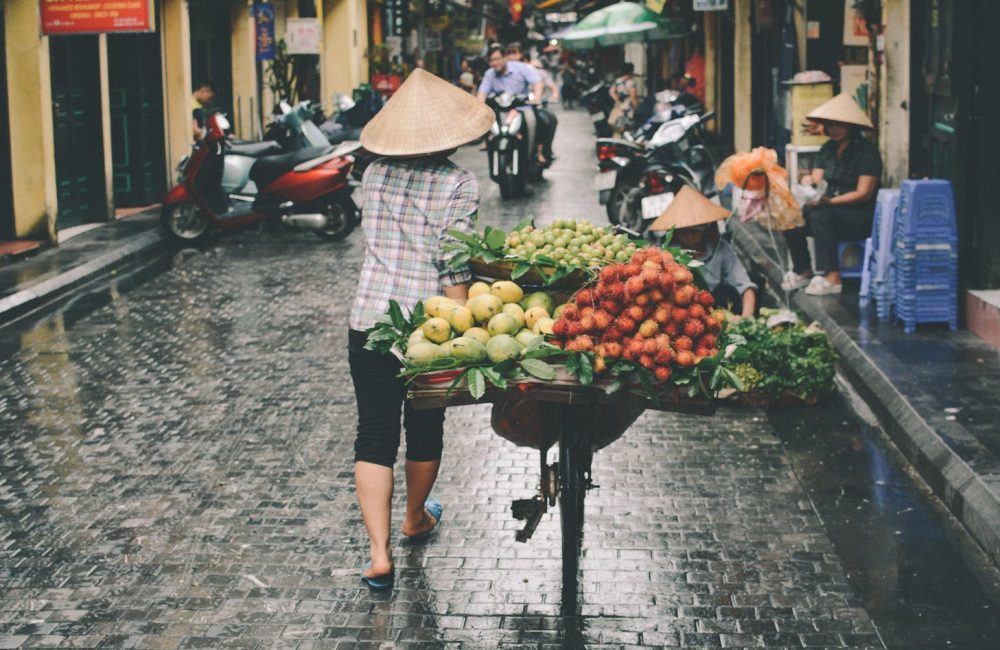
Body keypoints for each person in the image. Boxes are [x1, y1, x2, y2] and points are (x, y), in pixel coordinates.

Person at [350, 69, 494, 590]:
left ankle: (378, 555)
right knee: (425, 426)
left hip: (369, 319)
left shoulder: (372, 174)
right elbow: (452, 263)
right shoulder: (457, 183)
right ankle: (414, 518)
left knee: (374, 433)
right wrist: (465, 330)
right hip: (426, 327)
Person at [781, 93, 882, 295]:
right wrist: (808, 184)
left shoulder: (866, 152)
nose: (834, 129)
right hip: (828, 209)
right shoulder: (828, 148)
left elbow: (863, 193)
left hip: (860, 215)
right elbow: (817, 179)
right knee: (790, 216)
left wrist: (831, 201)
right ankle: (803, 269)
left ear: (851, 126)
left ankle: (833, 276)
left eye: (839, 125)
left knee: (821, 215)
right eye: (830, 125)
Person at [650, 186, 758, 318]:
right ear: (676, 232)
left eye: (695, 231)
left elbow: (745, 286)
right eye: (684, 232)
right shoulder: (667, 254)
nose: (690, 237)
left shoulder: (720, 248)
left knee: (726, 293)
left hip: (715, 306)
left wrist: (746, 318)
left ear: (706, 230)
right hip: (680, 312)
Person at [477, 44, 553, 166]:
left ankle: (531, 152)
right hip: (499, 111)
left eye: (497, 59)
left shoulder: (521, 68)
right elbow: (482, 93)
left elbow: (537, 83)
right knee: (485, 121)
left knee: (532, 121)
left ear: (505, 57)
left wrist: (536, 97)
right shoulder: (489, 74)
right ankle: (488, 144)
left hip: (522, 108)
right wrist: (478, 108)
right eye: (491, 60)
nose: (494, 63)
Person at [608, 63, 638, 136]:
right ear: (631, 71)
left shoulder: (618, 81)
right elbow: (633, 97)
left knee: (617, 126)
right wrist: (637, 107)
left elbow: (611, 92)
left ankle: (616, 138)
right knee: (627, 126)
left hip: (619, 106)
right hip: (627, 107)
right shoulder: (631, 82)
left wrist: (617, 101)